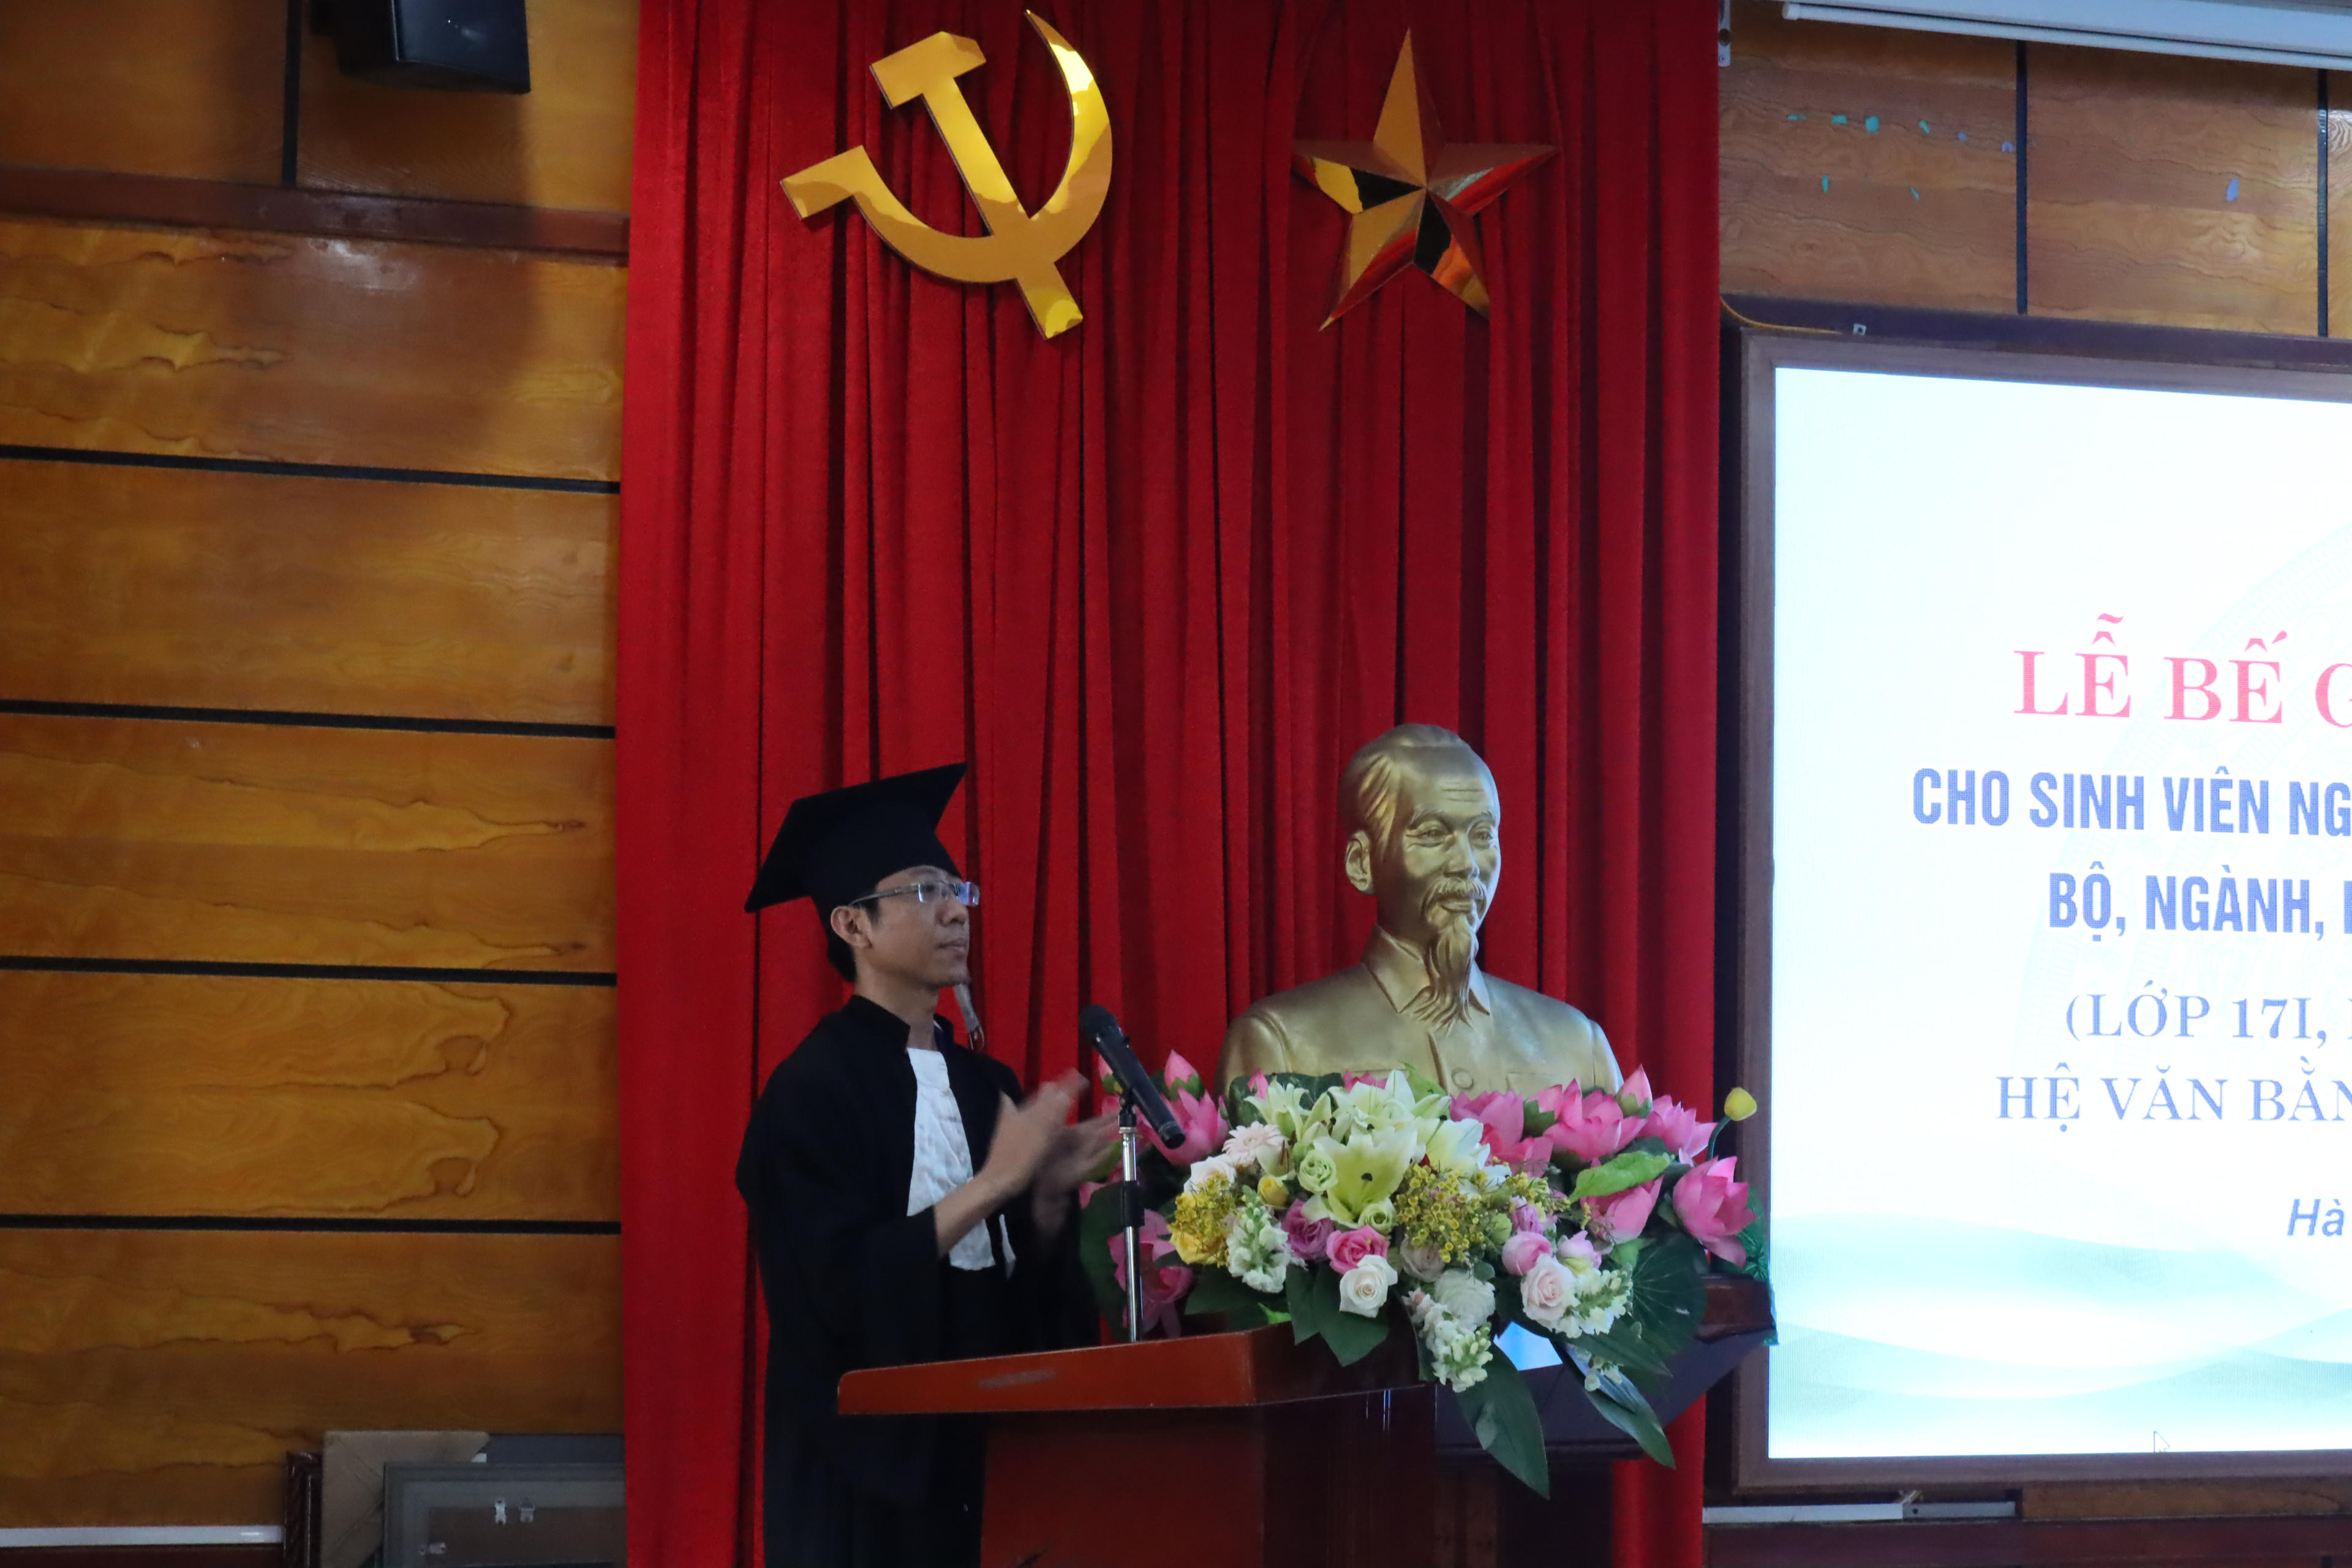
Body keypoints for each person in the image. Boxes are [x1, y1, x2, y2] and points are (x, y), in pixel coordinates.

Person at [736, 763, 1115, 1568]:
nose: (954, 911)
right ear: (854, 925)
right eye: (921, 891)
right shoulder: (810, 1092)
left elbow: (1023, 1306)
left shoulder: (987, 1083)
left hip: (989, 1461)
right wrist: (993, 1185)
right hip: (866, 1478)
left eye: (956, 890)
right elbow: (830, 1293)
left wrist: (1047, 1201)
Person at [1216, 725, 1620, 1096]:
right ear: (1362, 863)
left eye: (1483, 835)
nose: (1467, 864)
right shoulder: (1280, 1043)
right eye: (1433, 834)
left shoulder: (1579, 1047)